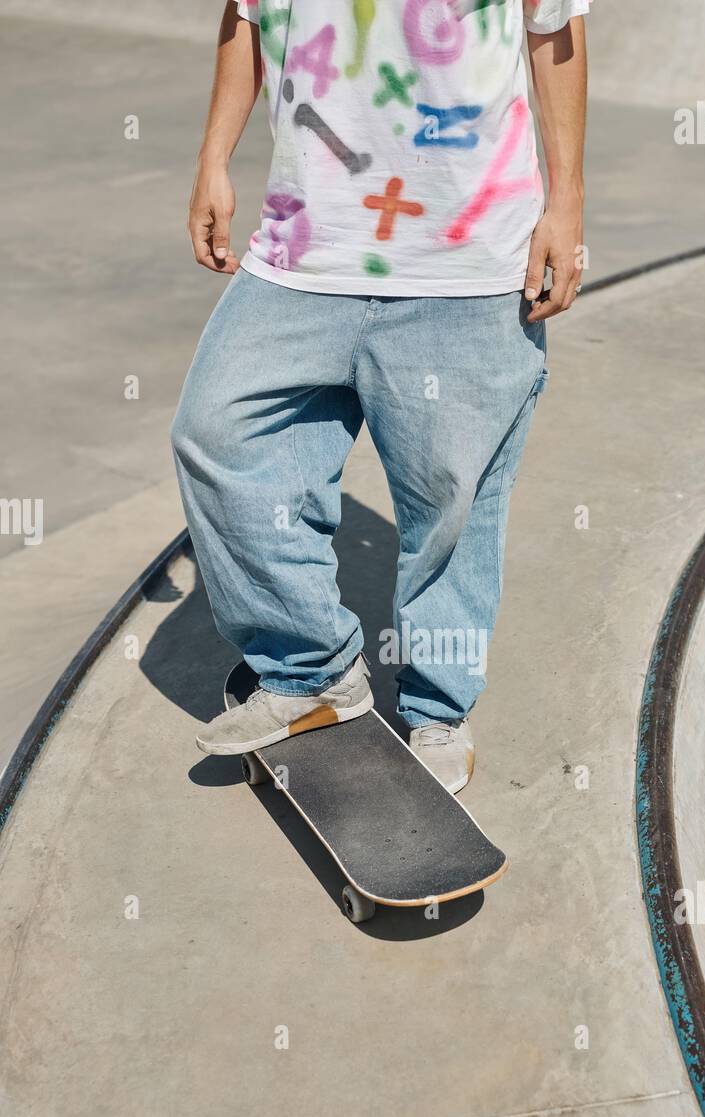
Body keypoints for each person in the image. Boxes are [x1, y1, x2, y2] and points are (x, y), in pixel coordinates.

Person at [172, 0, 588, 793]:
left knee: (449, 503)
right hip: (304, 248)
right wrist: (214, 157)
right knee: (217, 434)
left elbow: (555, 34)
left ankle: (437, 710)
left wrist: (565, 204)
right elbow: (245, 18)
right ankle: (312, 670)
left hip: (464, 258)